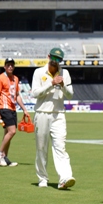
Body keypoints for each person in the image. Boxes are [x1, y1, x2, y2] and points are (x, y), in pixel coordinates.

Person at [31, 48, 75, 190]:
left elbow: (70, 95)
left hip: (58, 114)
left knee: (60, 147)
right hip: (42, 112)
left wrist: (62, 86)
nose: (56, 62)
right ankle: (42, 178)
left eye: (59, 60)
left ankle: (65, 178)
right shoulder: (39, 72)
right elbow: (34, 93)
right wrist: (51, 83)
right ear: (49, 57)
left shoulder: (65, 73)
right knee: (41, 148)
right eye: (54, 58)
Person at [0, 57, 30, 167]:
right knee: (12, 131)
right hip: (4, 107)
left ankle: (4, 156)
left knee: (7, 133)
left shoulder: (15, 79)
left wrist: (24, 109)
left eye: (12, 65)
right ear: (4, 66)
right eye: (8, 65)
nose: (10, 66)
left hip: (12, 108)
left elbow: (17, 95)